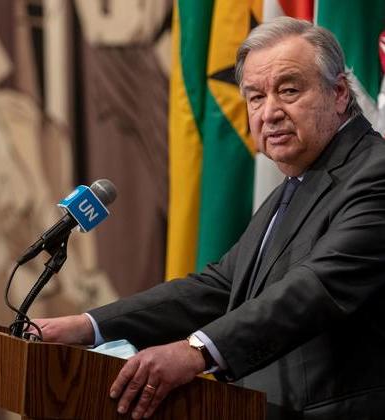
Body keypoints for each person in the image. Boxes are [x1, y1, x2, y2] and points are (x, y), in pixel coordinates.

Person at [29, 17, 385, 420]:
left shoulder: (374, 172)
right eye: (255, 97)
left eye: (289, 90)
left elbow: (315, 288)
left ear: (339, 93)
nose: (270, 112)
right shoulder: (298, 183)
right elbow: (220, 287)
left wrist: (196, 351)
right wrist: (88, 325)